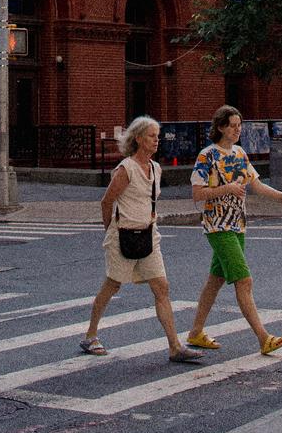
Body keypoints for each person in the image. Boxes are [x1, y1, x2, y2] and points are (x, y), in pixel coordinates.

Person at [187, 104, 282, 355]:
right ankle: (264, 338)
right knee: (244, 280)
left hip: (238, 225)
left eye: (239, 125)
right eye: (232, 126)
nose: (237, 130)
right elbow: (197, 194)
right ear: (221, 127)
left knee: (216, 280)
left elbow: (257, 185)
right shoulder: (207, 156)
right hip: (218, 226)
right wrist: (227, 189)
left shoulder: (240, 153)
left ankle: (196, 332)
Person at [80, 115, 202, 364]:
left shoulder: (156, 168)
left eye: (157, 136)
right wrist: (110, 230)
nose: (156, 140)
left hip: (148, 235)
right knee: (113, 285)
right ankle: (90, 335)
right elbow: (106, 201)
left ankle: (174, 346)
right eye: (151, 136)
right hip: (123, 234)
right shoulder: (126, 169)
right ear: (138, 139)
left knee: (161, 287)